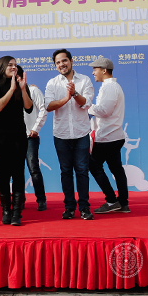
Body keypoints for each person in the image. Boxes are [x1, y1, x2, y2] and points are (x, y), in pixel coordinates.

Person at [45, 49, 95, 220]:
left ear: (72, 61)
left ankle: (84, 207)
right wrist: (65, 99)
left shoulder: (85, 80)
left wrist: (74, 93)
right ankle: (69, 207)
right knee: (65, 171)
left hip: (81, 133)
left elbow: (86, 104)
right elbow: (48, 106)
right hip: (61, 134)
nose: (62, 64)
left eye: (64, 61)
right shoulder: (52, 83)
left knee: (82, 171)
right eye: (58, 62)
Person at [0, 57, 32, 226]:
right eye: (10, 65)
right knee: (4, 173)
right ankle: (6, 210)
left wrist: (22, 89)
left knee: (19, 173)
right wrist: (11, 89)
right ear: (2, 67)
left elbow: (29, 108)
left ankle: (17, 213)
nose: (14, 67)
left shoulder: (21, 85)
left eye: (15, 65)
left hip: (19, 135)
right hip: (0, 136)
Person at [87, 58, 130, 214]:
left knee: (93, 165)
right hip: (112, 136)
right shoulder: (110, 86)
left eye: (95, 69)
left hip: (107, 136)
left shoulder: (110, 87)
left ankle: (112, 200)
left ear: (104, 70)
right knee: (116, 169)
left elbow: (104, 111)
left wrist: (86, 106)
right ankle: (123, 203)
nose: (93, 73)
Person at [18, 65, 48, 212]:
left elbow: (43, 108)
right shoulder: (7, 93)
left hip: (30, 137)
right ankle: (19, 201)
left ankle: (41, 200)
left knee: (33, 168)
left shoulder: (33, 90)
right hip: (14, 138)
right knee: (17, 171)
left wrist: (35, 129)